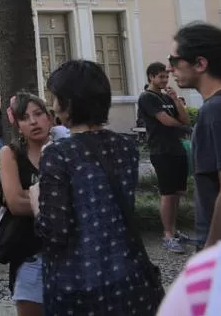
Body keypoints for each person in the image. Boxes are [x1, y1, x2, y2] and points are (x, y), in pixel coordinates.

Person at [34, 60, 162, 315]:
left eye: (55, 98)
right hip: (129, 277)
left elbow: (55, 231)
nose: (52, 105)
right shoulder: (127, 146)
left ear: (68, 103)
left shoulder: (57, 155)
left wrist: (35, 201)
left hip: (78, 286)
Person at [168, 22, 221, 247]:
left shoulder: (215, 111)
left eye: (174, 61)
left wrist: (210, 253)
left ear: (200, 63)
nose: (169, 69)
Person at [0, 93, 51, 316]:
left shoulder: (63, 151)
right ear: (18, 126)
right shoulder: (11, 154)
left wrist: (32, 196)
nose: (33, 121)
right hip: (29, 252)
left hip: (68, 254)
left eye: (38, 114)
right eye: (25, 117)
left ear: (49, 117)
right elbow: (16, 203)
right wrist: (60, 205)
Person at [137, 61, 191, 252]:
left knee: (177, 193)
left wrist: (176, 100)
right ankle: (167, 235)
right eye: (161, 76)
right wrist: (184, 128)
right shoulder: (147, 97)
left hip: (177, 149)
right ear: (151, 77)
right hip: (161, 151)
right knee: (167, 194)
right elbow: (165, 121)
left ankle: (174, 231)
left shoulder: (166, 97)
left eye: (166, 76)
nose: (165, 79)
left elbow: (184, 118)